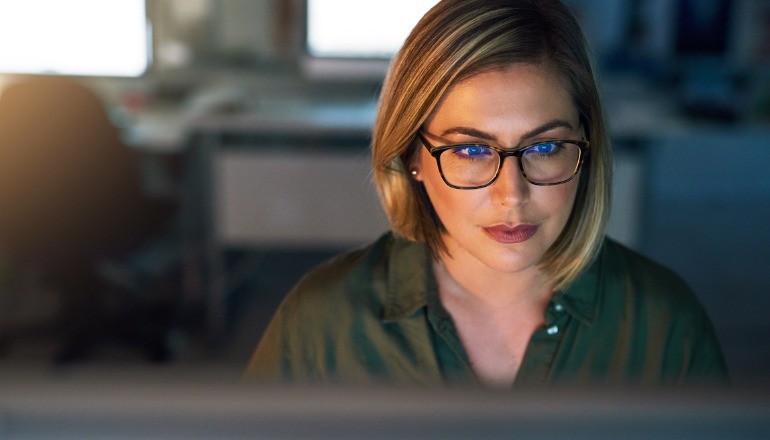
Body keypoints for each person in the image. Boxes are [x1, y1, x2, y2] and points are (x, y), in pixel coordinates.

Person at [246, 0, 728, 388]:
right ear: (411, 155)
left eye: (544, 146)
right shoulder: (319, 323)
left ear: (587, 146)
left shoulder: (666, 324)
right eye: (472, 150)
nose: (511, 194)